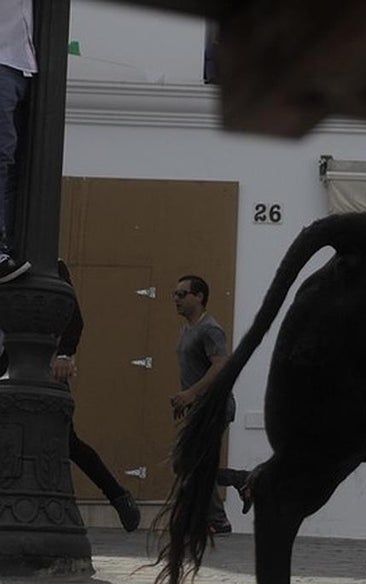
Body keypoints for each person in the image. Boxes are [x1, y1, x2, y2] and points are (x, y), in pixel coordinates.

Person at [0, 261, 141, 530]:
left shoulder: (49, 266)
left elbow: (72, 316)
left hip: (40, 362)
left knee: (66, 441)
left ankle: (117, 496)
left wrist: (64, 353)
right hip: (11, 361)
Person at [172, 274, 237, 535]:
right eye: (174, 295)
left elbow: (221, 365)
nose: (176, 299)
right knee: (186, 461)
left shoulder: (210, 328)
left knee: (192, 460)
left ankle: (216, 518)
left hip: (214, 407)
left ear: (199, 297)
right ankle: (236, 484)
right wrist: (185, 400)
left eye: (182, 294)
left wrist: (190, 394)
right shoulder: (187, 329)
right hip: (197, 408)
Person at [0, 0, 35, 284]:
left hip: (24, 63)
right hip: (3, 60)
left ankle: (10, 245)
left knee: (13, 166)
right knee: (2, 156)